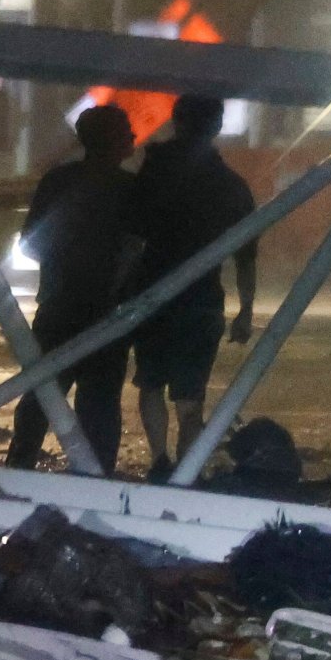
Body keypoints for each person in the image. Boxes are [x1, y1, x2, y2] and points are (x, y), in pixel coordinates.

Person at [122, 95, 256, 477]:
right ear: (216, 128)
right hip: (201, 301)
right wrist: (245, 310)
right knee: (190, 396)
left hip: (153, 296)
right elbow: (246, 255)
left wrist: (118, 291)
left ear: (176, 123)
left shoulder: (152, 174)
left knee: (150, 383)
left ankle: (159, 460)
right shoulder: (230, 185)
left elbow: (132, 240)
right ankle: (186, 471)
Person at [6, 104, 138, 473]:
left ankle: (19, 466)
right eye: (126, 129)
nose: (134, 136)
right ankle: (95, 480)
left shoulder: (57, 182)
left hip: (58, 307)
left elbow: (31, 245)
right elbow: (139, 250)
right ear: (112, 139)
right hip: (109, 316)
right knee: (99, 406)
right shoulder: (131, 190)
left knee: (41, 395)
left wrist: (63, 261)